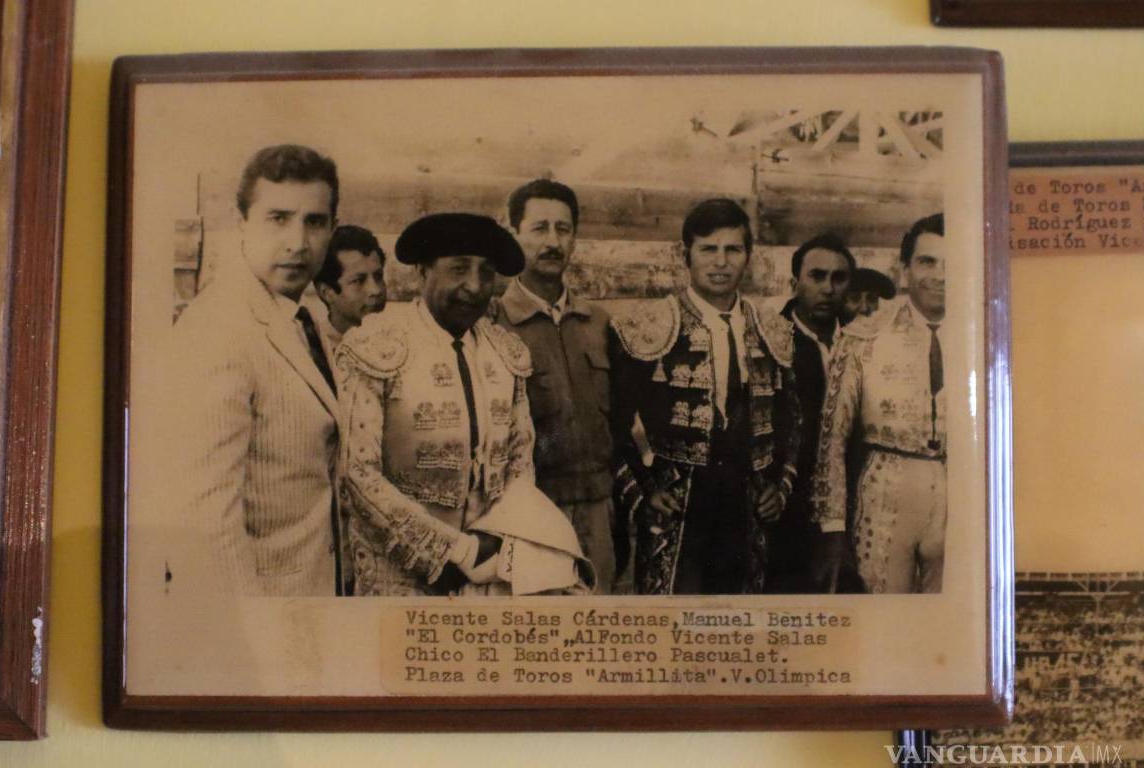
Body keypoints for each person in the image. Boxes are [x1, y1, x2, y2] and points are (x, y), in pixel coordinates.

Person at [337, 212, 593, 596]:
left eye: (486, 272)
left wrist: (494, 543)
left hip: (489, 574)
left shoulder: (506, 352)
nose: (474, 286)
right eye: (458, 269)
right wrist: (453, 551)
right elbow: (358, 475)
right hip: (398, 580)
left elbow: (519, 466)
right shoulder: (375, 345)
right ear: (422, 271)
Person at [169, 144, 343, 596]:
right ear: (241, 223)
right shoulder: (220, 329)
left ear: (332, 228)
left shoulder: (301, 317)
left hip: (312, 599)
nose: (297, 242)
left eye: (314, 222)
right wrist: (252, 629)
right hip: (262, 614)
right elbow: (206, 519)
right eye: (278, 218)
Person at [610, 199, 801, 595]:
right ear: (687, 255)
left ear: (748, 256)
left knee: (737, 614)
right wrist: (643, 490)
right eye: (708, 249)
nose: (721, 262)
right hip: (679, 504)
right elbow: (612, 421)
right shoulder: (651, 325)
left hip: (746, 503)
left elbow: (792, 421)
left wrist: (779, 485)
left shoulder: (771, 328)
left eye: (733, 249)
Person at [494, 179, 620, 593]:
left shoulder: (597, 323)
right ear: (515, 234)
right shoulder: (494, 324)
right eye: (539, 228)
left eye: (563, 229)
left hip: (600, 511)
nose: (553, 242)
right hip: (532, 514)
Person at [812, 213, 947, 594]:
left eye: (951, 264)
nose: (940, 276)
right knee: (884, 614)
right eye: (927, 262)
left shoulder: (984, 338)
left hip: (963, 494)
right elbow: (831, 440)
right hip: (884, 495)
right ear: (905, 271)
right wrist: (832, 530)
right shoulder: (863, 337)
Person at [770, 233, 854, 593]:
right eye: (817, 276)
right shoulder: (771, 342)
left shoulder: (861, 343)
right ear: (795, 283)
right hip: (787, 509)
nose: (828, 288)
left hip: (851, 506)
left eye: (838, 278)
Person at [312, 223, 387, 353]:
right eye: (358, 281)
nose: (376, 290)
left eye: (378, 276)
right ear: (327, 293)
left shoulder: (399, 340)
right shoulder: (313, 352)